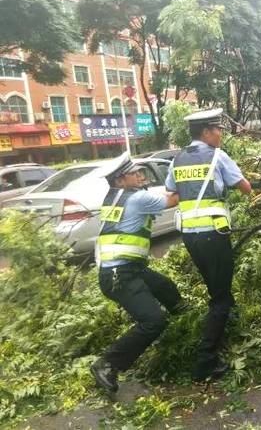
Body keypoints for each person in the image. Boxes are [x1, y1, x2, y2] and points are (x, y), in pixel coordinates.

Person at [166, 108, 252, 382]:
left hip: (190, 236)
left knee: (216, 287)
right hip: (213, 235)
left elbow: (172, 194)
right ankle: (205, 361)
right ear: (206, 132)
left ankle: (228, 327)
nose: (221, 135)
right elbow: (245, 187)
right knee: (220, 297)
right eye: (218, 130)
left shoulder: (177, 159)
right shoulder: (218, 156)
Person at [91, 153, 186, 393]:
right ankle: (107, 365)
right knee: (153, 321)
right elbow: (173, 199)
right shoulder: (136, 199)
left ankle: (186, 325)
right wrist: (189, 178)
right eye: (133, 173)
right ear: (120, 180)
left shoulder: (114, 197)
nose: (139, 176)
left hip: (126, 269)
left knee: (165, 288)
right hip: (119, 275)